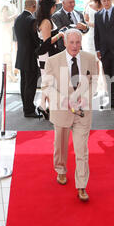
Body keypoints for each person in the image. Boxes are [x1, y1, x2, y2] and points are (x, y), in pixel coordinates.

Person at [42, 29, 98, 202]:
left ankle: (81, 185)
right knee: (60, 145)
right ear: (65, 43)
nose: (75, 46)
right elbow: (47, 87)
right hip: (61, 110)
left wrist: (86, 97)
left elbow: (94, 81)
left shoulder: (90, 58)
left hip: (82, 112)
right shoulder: (52, 61)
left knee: (82, 150)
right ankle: (60, 169)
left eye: (78, 42)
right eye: (71, 42)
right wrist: (64, 101)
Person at [35, 0, 64, 119]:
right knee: (49, 82)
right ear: (50, 7)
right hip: (46, 56)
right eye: (54, 6)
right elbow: (46, 43)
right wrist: (60, 35)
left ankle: (44, 106)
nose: (55, 7)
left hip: (48, 55)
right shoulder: (46, 22)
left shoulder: (46, 20)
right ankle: (47, 107)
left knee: (48, 82)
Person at [14, 0, 42, 119]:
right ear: (33, 6)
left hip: (21, 55)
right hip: (30, 56)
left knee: (24, 82)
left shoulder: (18, 19)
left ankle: (26, 105)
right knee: (30, 84)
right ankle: (29, 109)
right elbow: (35, 40)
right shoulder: (31, 20)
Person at [0, 0, 18, 82]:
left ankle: (10, 74)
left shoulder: (9, 2)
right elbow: (4, 18)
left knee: (10, 51)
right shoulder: (4, 3)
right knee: (7, 52)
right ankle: (9, 75)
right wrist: (15, 15)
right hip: (7, 29)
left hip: (11, 28)